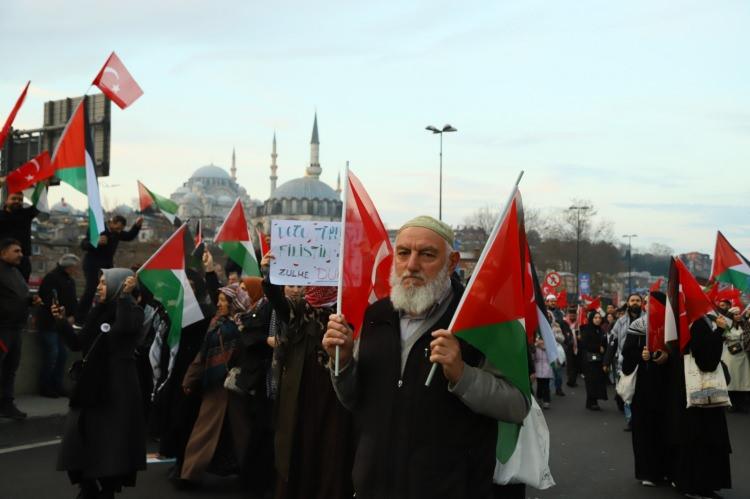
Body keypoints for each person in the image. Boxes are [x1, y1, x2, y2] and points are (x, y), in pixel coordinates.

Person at [323, 215, 529, 499]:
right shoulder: (375, 316)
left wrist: (462, 374)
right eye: (404, 253)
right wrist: (343, 363)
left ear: (452, 262)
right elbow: (354, 400)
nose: (412, 265)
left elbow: (517, 405)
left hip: (452, 487)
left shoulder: (481, 322)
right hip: (375, 484)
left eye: (427, 255)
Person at [260, 254, 353, 499]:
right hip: (300, 395)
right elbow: (278, 303)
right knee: (297, 449)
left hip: (334, 396)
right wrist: (270, 273)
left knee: (330, 453)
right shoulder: (301, 308)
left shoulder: (346, 312)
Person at [52, 269, 147, 499]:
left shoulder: (133, 310)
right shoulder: (98, 311)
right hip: (91, 384)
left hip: (117, 386)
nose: (98, 287)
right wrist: (61, 322)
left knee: (111, 441)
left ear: (117, 285)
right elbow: (78, 343)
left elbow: (121, 329)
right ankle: (87, 484)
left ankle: (107, 488)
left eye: (104, 283)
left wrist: (125, 297)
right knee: (79, 435)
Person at [180, 283, 252, 484]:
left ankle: (248, 474)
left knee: (240, 433)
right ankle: (189, 473)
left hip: (234, 387)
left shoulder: (242, 325)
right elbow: (203, 355)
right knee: (206, 431)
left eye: (223, 300)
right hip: (217, 387)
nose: (219, 304)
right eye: (219, 300)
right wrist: (191, 377)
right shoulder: (217, 323)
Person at [668, 315, 732, 498]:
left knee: (689, 439)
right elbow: (707, 361)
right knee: (703, 440)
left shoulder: (682, 321)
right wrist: (719, 331)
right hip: (701, 397)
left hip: (685, 390)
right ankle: (699, 486)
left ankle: (686, 481)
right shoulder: (697, 323)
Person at [621, 314, 671, 488]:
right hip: (643, 390)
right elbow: (626, 352)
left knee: (663, 430)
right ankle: (647, 472)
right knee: (645, 431)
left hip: (665, 388)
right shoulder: (638, 325)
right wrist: (641, 354)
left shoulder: (670, 325)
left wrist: (665, 355)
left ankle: (664, 471)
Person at [0, 238, 41, 419]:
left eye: (21, 251)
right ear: (3, 252)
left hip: (16, 328)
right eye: (16, 251)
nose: (21, 254)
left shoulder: (15, 272)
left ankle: (6, 404)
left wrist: (31, 301)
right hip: (2, 328)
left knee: (10, 368)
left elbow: (20, 296)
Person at [76, 215, 142, 323]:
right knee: (91, 290)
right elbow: (83, 244)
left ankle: (108, 316)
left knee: (111, 289)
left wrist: (137, 226)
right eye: (117, 228)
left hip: (107, 265)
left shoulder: (117, 233)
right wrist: (96, 242)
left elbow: (129, 236)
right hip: (92, 264)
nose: (119, 231)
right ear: (112, 222)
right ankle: (79, 318)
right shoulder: (98, 229)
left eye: (121, 229)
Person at [36, 253, 80, 398]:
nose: (76, 270)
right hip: (49, 323)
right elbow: (49, 299)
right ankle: (45, 386)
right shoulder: (52, 278)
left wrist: (72, 315)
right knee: (52, 355)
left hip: (62, 325)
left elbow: (72, 301)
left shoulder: (69, 281)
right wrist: (61, 315)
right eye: (75, 267)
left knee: (62, 355)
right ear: (69, 267)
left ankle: (57, 385)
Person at [609, 293, 643, 430]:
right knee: (627, 392)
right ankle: (631, 421)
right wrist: (607, 361)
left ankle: (640, 419)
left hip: (642, 360)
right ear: (628, 303)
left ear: (642, 303)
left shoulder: (648, 319)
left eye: (638, 301)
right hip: (624, 362)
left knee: (640, 392)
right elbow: (613, 340)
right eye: (632, 300)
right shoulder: (620, 321)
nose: (635, 303)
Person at [0, 190, 40, 281]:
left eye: (20, 199)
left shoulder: (26, 214)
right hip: (2, 259)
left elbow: (40, 203)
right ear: (6, 201)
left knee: (21, 290)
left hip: (21, 260)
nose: (17, 201)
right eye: (13, 199)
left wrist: (44, 185)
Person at [722, 306, 750, 412]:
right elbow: (721, 338)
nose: (738, 316)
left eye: (739, 314)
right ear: (731, 316)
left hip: (743, 355)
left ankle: (742, 404)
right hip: (730, 356)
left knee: (743, 379)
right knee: (732, 379)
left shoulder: (744, 325)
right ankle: (731, 403)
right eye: (735, 314)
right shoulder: (726, 326)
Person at [579, 310, 608, 410]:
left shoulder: (600, 330)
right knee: (591, 381)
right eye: (595, 318)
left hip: (598, 359)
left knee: (596, 380)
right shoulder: (586, 330)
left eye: (599, 318)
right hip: (589, 360)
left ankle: (592, 402)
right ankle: (592, 402)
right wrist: (597, 348)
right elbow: (585, 344)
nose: (598, 320)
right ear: (591, 319)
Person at [533, 330, 553, 409]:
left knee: (546, 386)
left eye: (543, 341)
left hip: (547, 369)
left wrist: (546, 349)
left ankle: (546, 401)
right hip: (538, 369)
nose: (541, 343)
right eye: (540, 341)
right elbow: (533, 358)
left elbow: (552, 357)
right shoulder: (535, 349)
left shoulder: (549, 348)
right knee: (539, 386)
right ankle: (539, 398)